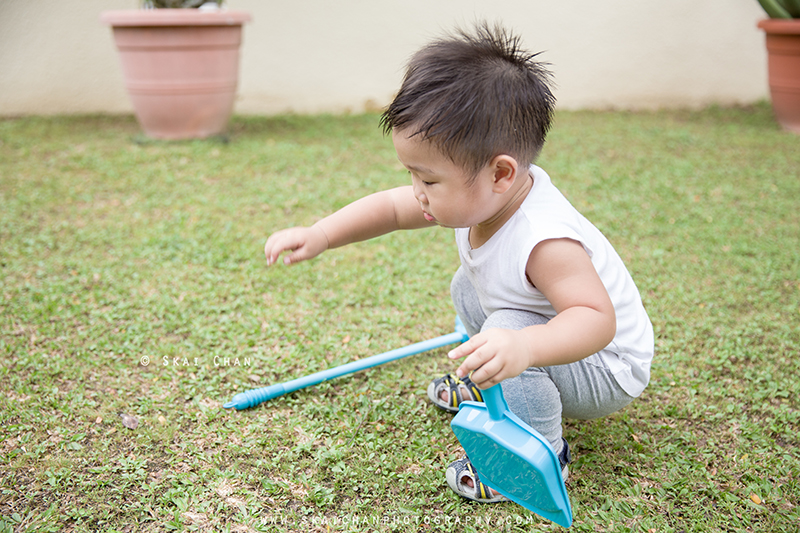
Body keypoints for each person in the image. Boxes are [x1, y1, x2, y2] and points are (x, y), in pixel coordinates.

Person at [264, 22, 654, 504]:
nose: (415, 193)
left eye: (427, 180)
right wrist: (320, 233)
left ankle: (539, 454)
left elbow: (596, 320)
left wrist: (524, 348)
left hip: (606, 368)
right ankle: (496, 382)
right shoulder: (486, 197)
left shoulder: (545, 240)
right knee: (466, 290)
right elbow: (389, 208)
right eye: (412, 175)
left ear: (501, 174)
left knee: (509, 327)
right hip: (556, 337)